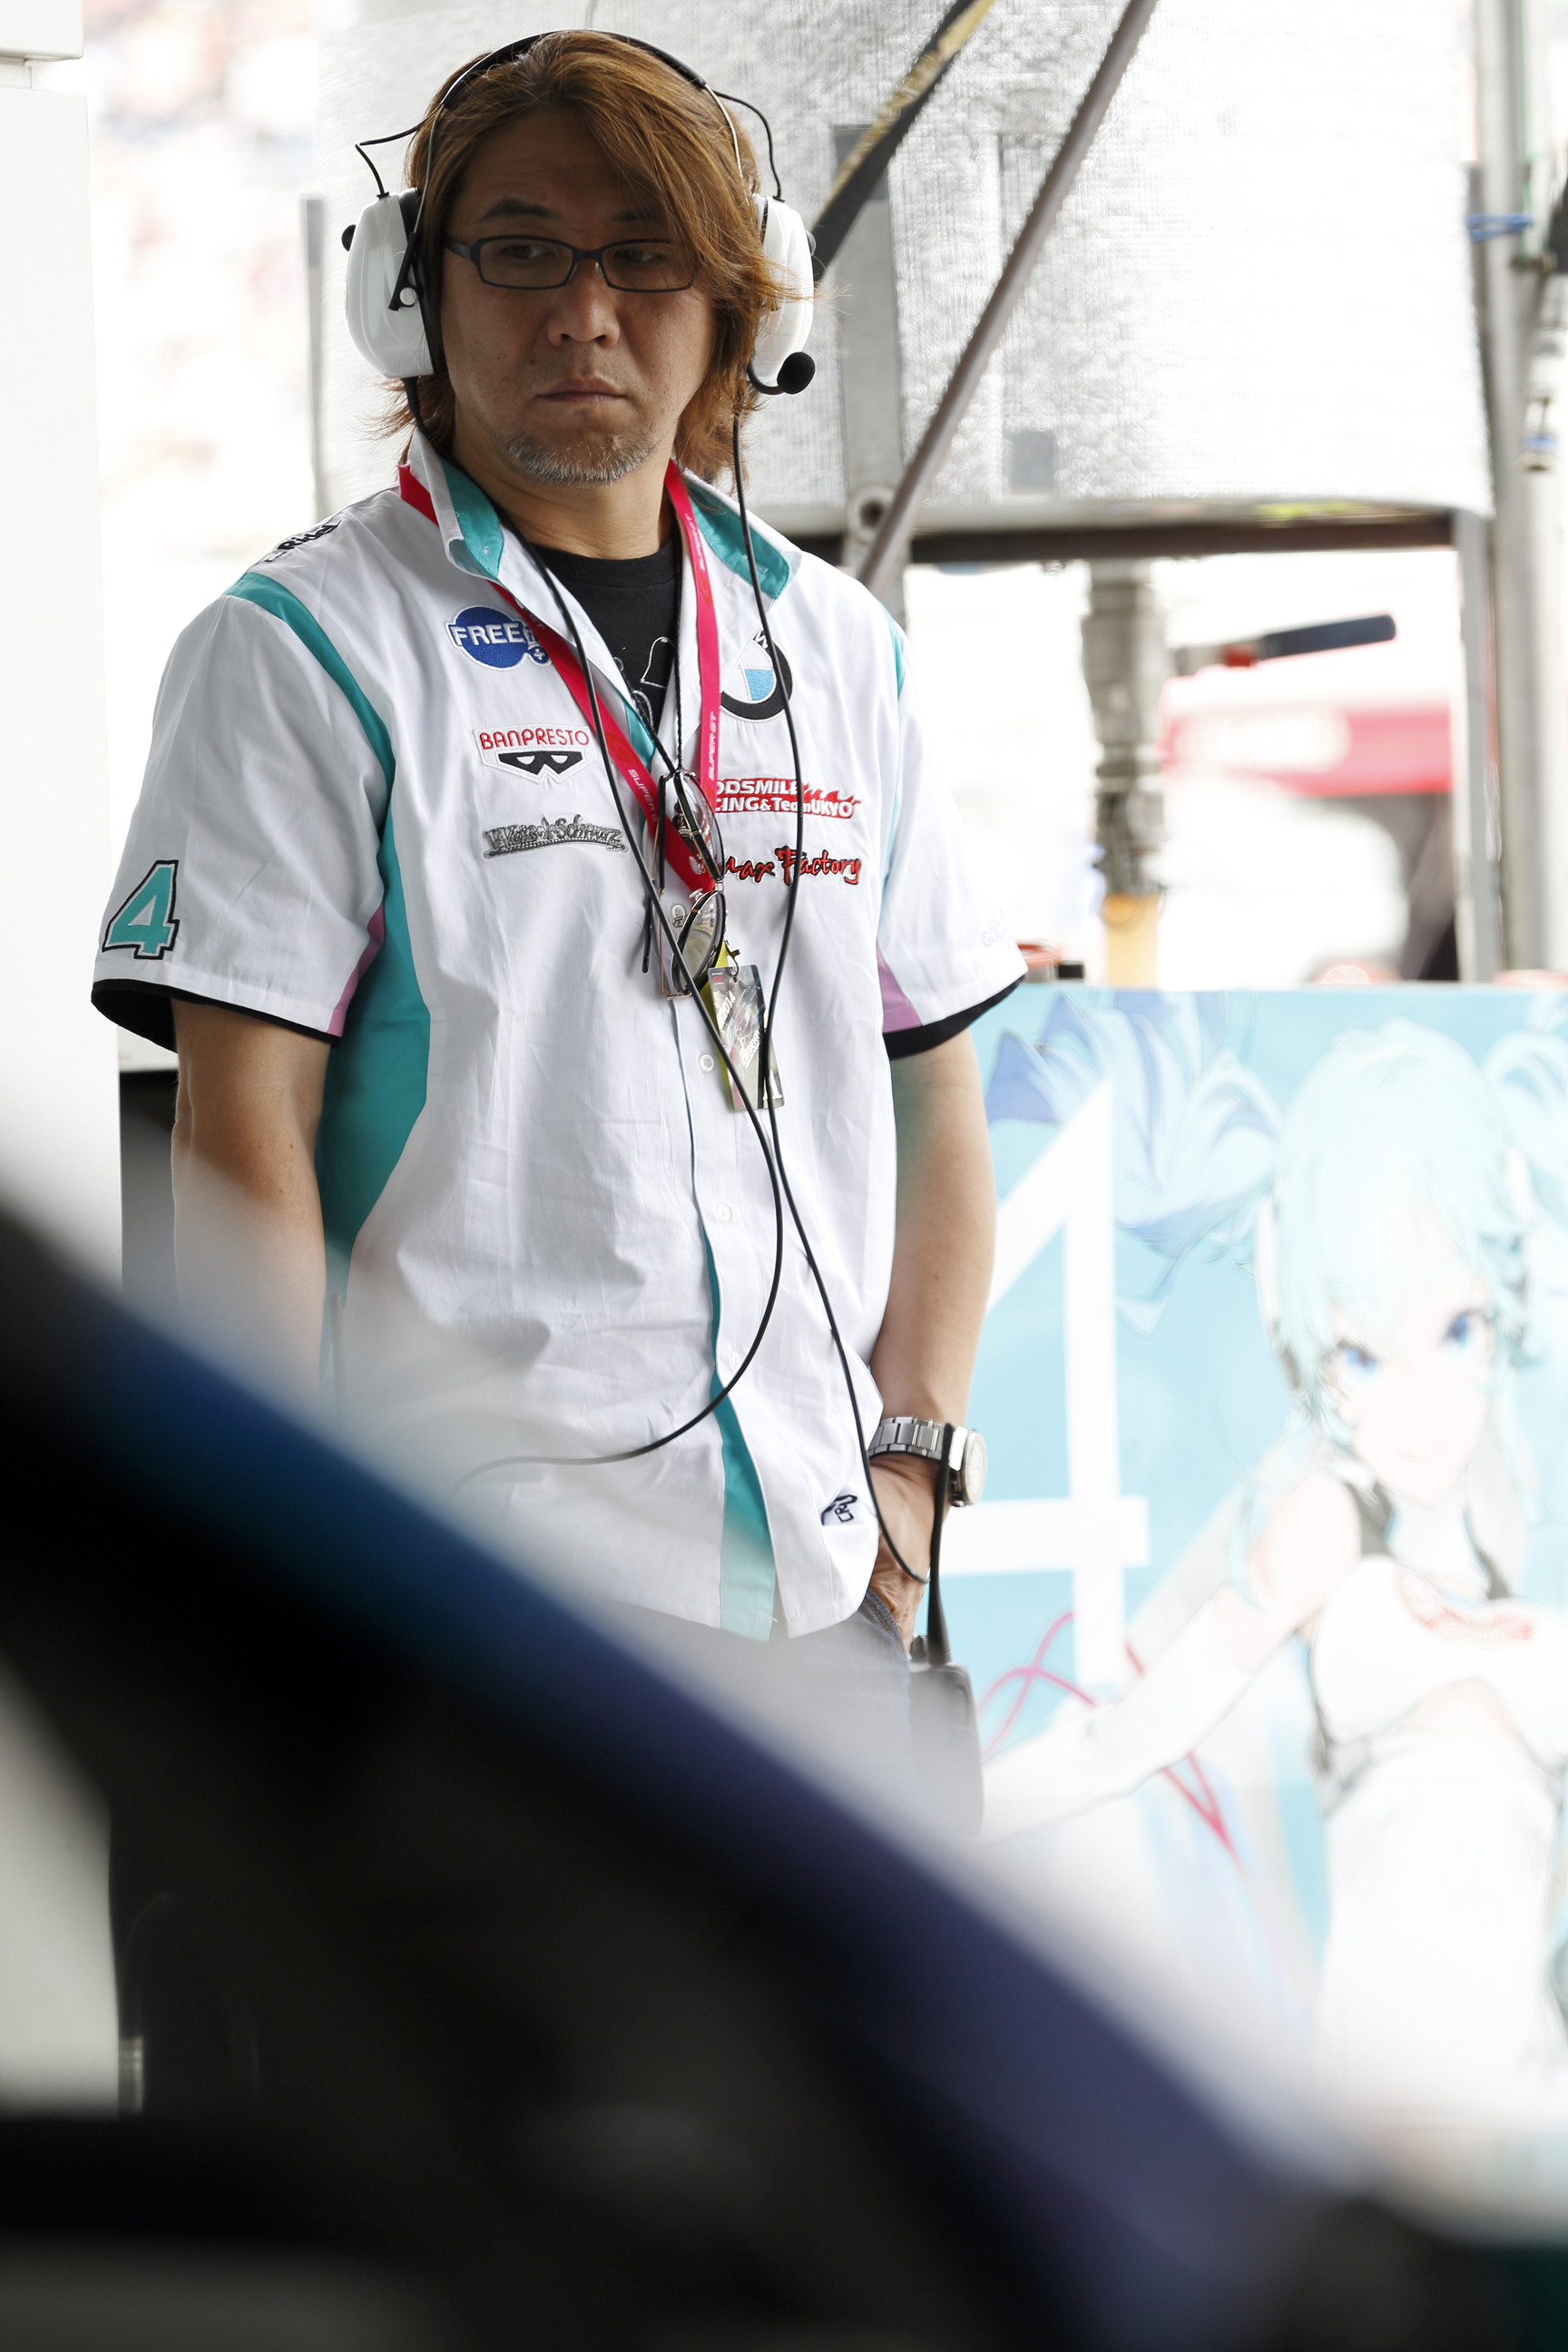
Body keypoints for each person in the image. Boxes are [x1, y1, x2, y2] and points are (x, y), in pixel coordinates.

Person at [93, 32, 1021, 1737]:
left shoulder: (839, 651)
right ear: (410, 295)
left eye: (643, 256)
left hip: (830, 1605)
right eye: (519, 251)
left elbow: (938, 1097)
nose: (583, 312)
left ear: (740, 307)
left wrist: (908, 1497)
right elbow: (242, 1139)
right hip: (469, 1631)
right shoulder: (299, 649)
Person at [985, 1021, 1568, 2132]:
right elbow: (1126, 1737)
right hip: (1397, 2111)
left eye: (1457, 1330)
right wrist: (945, 1816)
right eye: (1361, 1355)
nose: (1418, 1404)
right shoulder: (1326, 1517)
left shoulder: (1516, 1514)